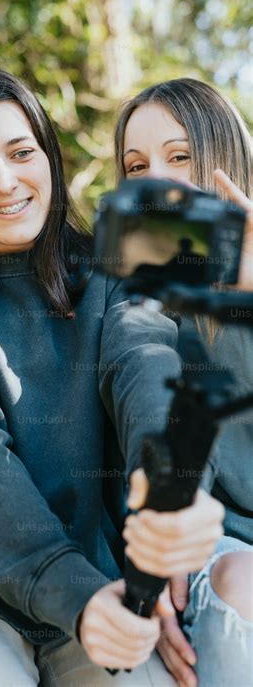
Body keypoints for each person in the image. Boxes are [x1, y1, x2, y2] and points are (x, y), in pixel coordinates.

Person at [0, 67, 224, 687]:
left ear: (49, 156)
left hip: (96, 581)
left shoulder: (114, 269)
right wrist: (75, 595)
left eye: (21, 152)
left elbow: (145, 364)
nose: (5, 182)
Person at [114, 77, 253, 687]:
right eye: (136, 166)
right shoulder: (133, 296)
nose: (158, 182)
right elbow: (145, 398)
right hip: (214, 548)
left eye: (179, 157)